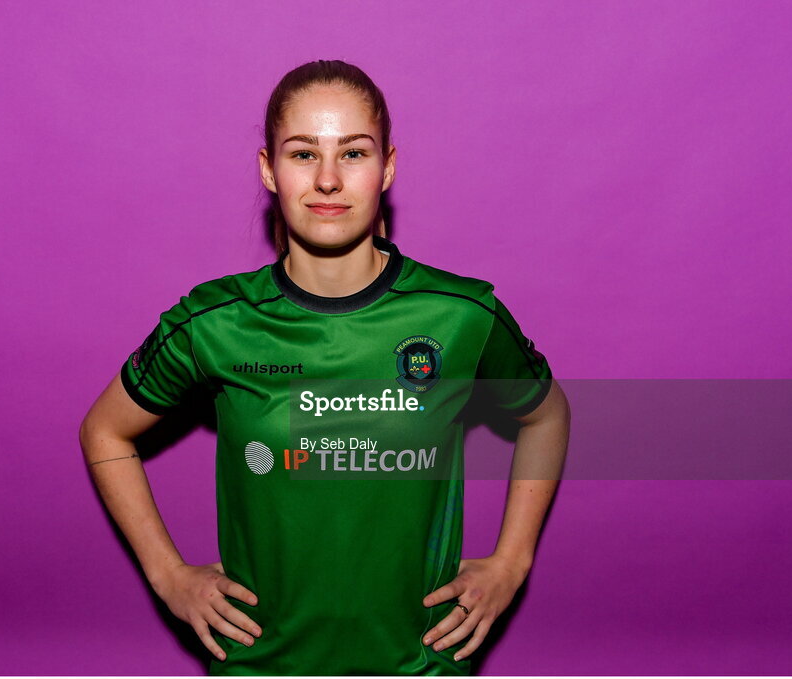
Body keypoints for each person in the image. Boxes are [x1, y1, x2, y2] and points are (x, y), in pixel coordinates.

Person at [79, 59, 570, 676]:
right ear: (269, 169)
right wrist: (168, 574)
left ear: (388, 167)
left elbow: (548, 417)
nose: (329, 180)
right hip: (261, 665)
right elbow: (104, 430)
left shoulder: (461, 315)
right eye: (304, 154)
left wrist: (511, 563)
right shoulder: (213, 322)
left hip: (420, 666)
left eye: (354, 154)